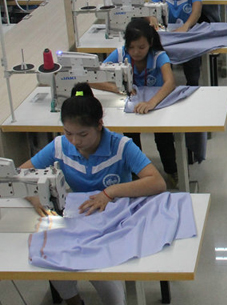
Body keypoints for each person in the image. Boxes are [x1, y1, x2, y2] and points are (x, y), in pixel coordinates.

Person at [20, 83, 166, 305]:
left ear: (99, 125)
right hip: (80, 216)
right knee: (51, 259)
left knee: (99, 272)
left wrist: (110, 192)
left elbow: (157, 182)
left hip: (116, 219)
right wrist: (33, 196)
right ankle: (74, 301)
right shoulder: (60, 146)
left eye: (82, 134)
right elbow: (21, 174)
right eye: (68, 133)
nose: (75, 141)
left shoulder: (121, 146)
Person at [99, 18, 178, 181]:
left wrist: (151, 103)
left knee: (164, 138)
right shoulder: (120, 54)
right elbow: (94, 78)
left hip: (157, 104)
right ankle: (136, 175)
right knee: (130, 140)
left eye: (141, 47)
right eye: (131, 47)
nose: (136, 52)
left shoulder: (158, 56)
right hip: (133, 106)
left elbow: (170, 82)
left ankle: (172, 171)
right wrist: (116, 88)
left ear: (150, 43)